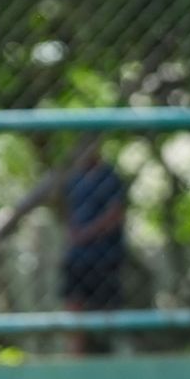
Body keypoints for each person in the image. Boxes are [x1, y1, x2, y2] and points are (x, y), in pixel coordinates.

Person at [61, 143, 128, 355]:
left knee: (109, 304)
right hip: (78, 256)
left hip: (104, 254)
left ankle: (113, 350)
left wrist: (87, 233)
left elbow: (115, 215)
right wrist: (73, 235)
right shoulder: (75, 179)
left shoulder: (110, 178)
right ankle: (76, 355)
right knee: (74, 302)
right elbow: (69, 211)